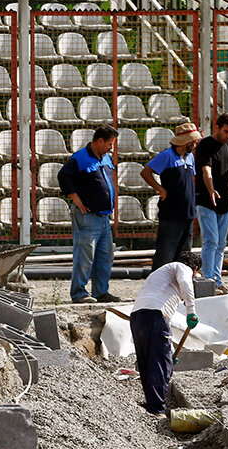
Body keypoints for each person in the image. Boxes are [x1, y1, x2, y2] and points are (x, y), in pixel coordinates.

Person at [130, 252, 200, 415]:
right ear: (195, 269)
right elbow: (185, 282)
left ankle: (152, 405)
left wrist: (167, 353)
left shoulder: (160, 272)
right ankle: (158, 409)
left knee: (147, 362)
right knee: (160, 364)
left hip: (137, 317)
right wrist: (191, 311)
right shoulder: (183, 268)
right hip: (155, 315)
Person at [58, 125, 119, 304]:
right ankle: (79, 293)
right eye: (110, 143)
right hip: (87, 216)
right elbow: (63, 176)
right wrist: (76, 198)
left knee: (105, 255)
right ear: (100, 141)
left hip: (103, 217)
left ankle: (101, 292)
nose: (111, 148)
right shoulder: (80, 158)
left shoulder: (106, 157)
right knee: (85, 256)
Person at [142, 120, 201, 271]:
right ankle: (156, 287)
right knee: (165, 254)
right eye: (193, 141)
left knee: (184, 255)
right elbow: (146, 172)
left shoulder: (189, 157)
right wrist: (160, 189)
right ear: (186, 142)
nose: (195, 144)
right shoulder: (167, 156)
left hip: (187, 213)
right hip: (171, 214)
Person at [194, 113, 228, 293]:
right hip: (206, 201)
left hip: (223, 203)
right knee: (210, 240)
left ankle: (217, 280)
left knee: (221, 243)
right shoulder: (205, 145)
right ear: (217, 127)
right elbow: (206, 170)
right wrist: (211, 189)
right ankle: (208, 279)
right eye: (226, 131)